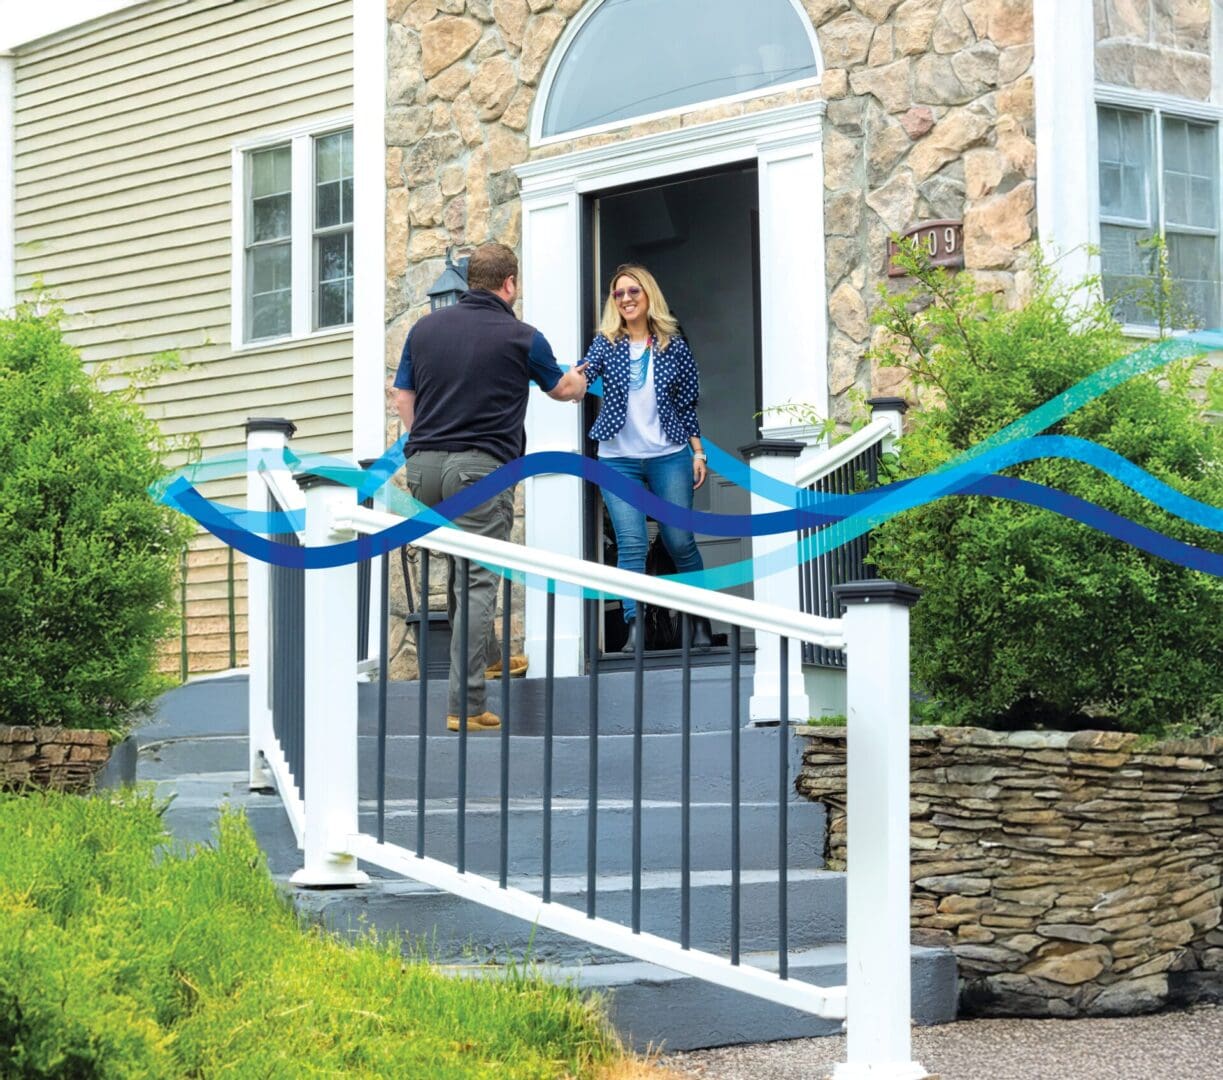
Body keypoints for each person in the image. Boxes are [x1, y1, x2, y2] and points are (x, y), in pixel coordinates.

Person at [392, 242, 587, 731]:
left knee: (462, 569)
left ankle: (487, 658)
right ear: (509, 284)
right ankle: (467, 704)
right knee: (479, 580)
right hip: (479, 471)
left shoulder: (424, 328)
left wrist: (423, 443)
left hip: (423, 472)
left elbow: (402, 398)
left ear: (468, 281)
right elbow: (562, 390)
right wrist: (580, 382)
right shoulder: (522, 336)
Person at [580, 264, 712, 653]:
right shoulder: (605, 343)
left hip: (668, 455)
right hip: (617, 459)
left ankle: (700, 621)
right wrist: (562, 382)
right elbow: (582, 379)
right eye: (618, 294)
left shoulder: (674, 346)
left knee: (679, 540)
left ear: (648, 294)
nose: (625, 300)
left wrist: (698, 452)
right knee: (632, 543)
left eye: (633, 292)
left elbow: (687, 405)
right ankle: (634, 628)